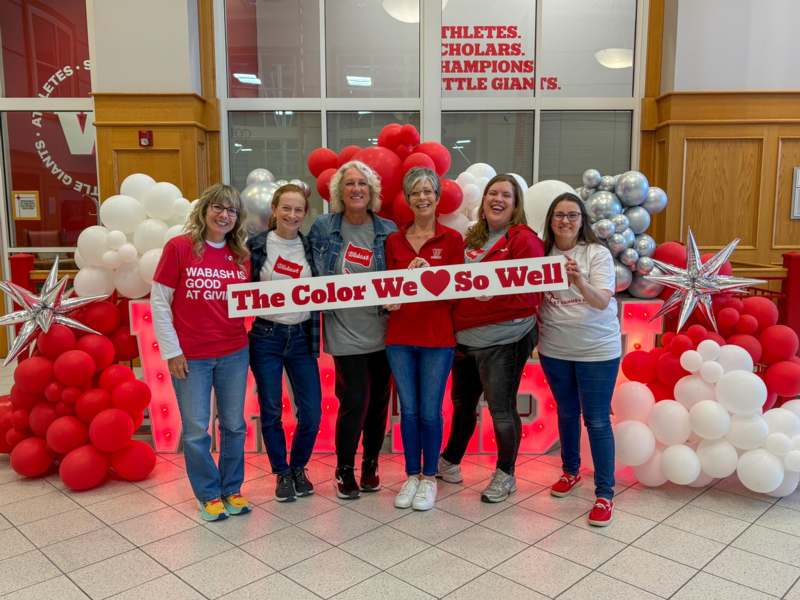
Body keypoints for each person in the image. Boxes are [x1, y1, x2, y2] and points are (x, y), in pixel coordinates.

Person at [438, 174, 544, 503]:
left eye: (506, 196)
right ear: (483, 201)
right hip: (465, 340)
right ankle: (451, 461)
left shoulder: (524, 240)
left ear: (516, 206)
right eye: (492, 193)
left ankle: (506, 473)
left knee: (500, 409)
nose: (497, 199)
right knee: (462, 405)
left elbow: (531, 293)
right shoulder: (471, 239)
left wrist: (489, 296)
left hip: (503, 340)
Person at [151, 183, 252, 522]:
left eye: (232, 211)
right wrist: (172, 350)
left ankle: (231, 489)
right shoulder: (179, 248)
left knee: (235, 426)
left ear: (237, 219)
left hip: (234, 352)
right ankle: (208, 494)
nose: (224, 215)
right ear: (204, 209)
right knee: (196, 430)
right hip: (191, 356)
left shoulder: (240, 256)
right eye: (218, 208)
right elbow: (160, 303)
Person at [308, 160, 398, 499]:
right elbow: (310, 271)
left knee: (378, 402)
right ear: (339, 192)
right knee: (355, 400)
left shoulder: (387, 229)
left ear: (372, 191)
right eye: (350, 184)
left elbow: (400, 275)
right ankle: (344, 468)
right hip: (343, 330)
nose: (357, 189)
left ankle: (371, 464)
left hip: (383, 331)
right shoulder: (323, 226)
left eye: (363, 183)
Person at [537, 192, 621, 526]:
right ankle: (570, 471)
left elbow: (601, 301)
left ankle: (605, 493)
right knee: (568, 414)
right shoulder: (541, 254)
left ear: (582, 219)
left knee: (597, 420)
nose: (565, 221)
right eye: (559, 215)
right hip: (554, 349)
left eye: (572, 215)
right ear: (550, 220)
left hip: (597, 350)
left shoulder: (596, 253)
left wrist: (578, 280)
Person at [384, 168, 463, 511]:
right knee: (410, 411)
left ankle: (430, 478)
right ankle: (411, 475)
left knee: (430, 411)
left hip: (437, 338)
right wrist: (404, 279)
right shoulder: (393, 241)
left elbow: (457, 292)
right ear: (407, 198)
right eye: (415, 192)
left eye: (427, 191)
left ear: (437, 197)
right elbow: (388, 295)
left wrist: (428, 276)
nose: (422, 197)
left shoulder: (452, 240)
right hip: (399, 337)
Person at [248, 183, 322, 503]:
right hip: (266, 336)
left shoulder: (312, 248)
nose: (292, 214)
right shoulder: (255, 246)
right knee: (272, 411)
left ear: (305, 214)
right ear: (275, 209)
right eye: (286, 208)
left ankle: (298, 467)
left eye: (299, 209)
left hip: (303, 336)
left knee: (312, 412)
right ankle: (281, 472)